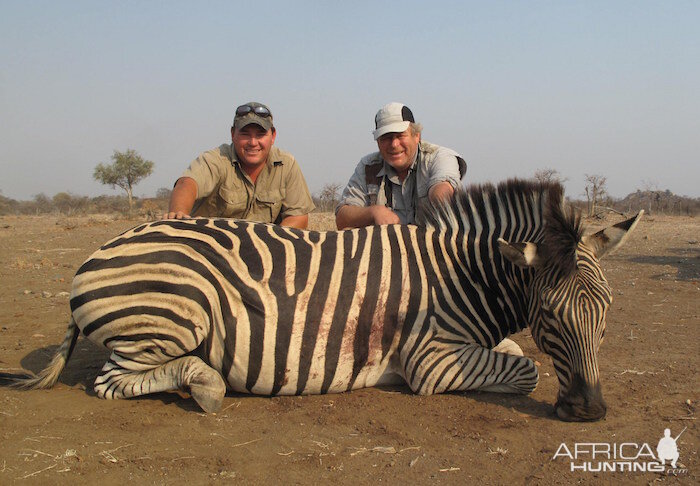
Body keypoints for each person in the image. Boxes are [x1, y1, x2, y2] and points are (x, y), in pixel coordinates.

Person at [164, 102, 315, 229]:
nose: (253, 142)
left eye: (260, 134)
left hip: (263, 250)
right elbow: (187, 183)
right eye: (245, 134)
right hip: (213, 249)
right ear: (232, 134)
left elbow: (299, 217)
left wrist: (266, 245)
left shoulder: (286, 164)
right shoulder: (216, 159)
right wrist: (178, 213)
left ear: (273, 136)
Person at [335, 102, 466, 229]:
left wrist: (440, 202)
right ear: (378, 142)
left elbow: (443, 188)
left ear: (417, 136)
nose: (394, 144)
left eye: (400, 135)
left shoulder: (440, 157)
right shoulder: (368, 166)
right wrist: (374, 212)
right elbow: (342, 218)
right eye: (386, 138)